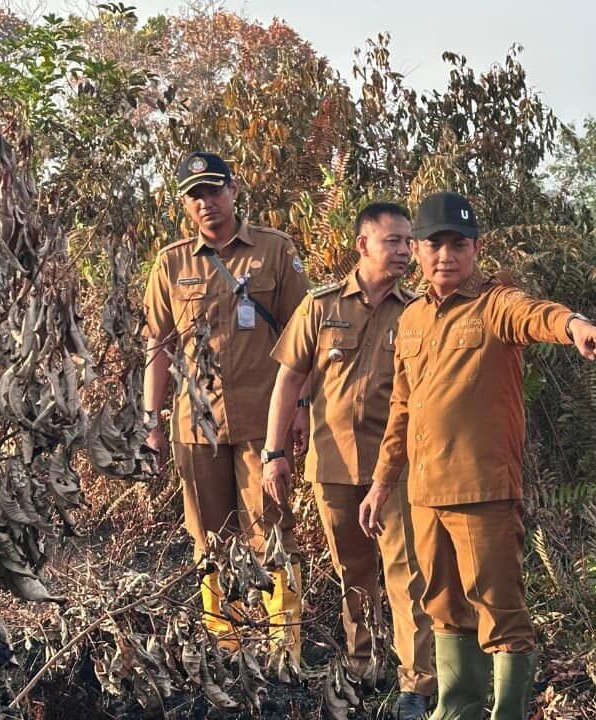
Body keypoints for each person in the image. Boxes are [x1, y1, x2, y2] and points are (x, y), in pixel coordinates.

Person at [358, 191, 596, 720]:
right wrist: (383, 481)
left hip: (482, 493)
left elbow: (536, 315)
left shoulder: (495, 304)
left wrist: (575, 327)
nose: (445, 256)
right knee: (445, 611)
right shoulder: (410, 320)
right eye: (434, 245)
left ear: (476, 249)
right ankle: (458, 710)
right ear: (419, 250)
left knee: (500, 615)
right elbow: (402, 409)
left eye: (458, 244)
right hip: (424, 496)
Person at [263, 202, 436, 719]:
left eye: (409, 241)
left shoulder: (418, 310)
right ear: (362, 244)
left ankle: (415, 685)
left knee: (407, 575)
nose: (405, 251)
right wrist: (274, 454)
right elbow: (289, 380)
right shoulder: (320, 307)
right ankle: (364, 665)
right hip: (333, 466)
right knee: (353, 574)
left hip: (399, 467)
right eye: (394, 241)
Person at [142, 151, 310, 663]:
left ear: (234, 190)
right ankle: (228, 649)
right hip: (197, 427)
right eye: (195, 195)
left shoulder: (274, 252)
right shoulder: (171, 262)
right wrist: (152, 421)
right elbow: (158, 347)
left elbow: (303, 337)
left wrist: (302, 404)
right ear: (185, 204)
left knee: (272, 535)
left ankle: (286, 649)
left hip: (265, 426)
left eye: (214, 190)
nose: (206, 202)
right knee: (209, 541)